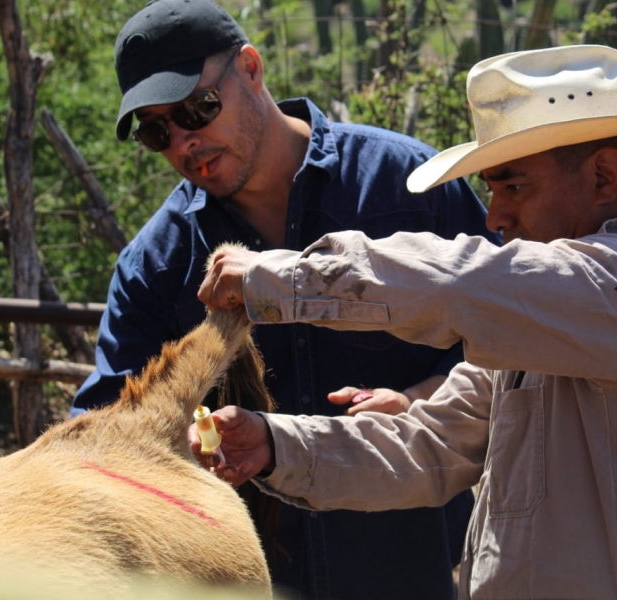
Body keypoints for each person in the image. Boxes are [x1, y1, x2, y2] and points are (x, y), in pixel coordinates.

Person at [194, 44, 617, 599]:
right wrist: (275, 445)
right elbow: (430, 444)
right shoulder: (551, 321)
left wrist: (282, 277)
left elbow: (458, 283)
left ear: (604, 177)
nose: (496, 215)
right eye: (493, 190)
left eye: (515, 186)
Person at [71, 0, 499, 598]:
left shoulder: (408, 184)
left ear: (251, 68)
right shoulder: (155, 264)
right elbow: (105, 436)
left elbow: (511, 334)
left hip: (408, 563)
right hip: (244, 579)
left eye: (196, 108)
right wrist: (179, 446)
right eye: (155, 131)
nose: (184, 141)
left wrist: (418, 400)